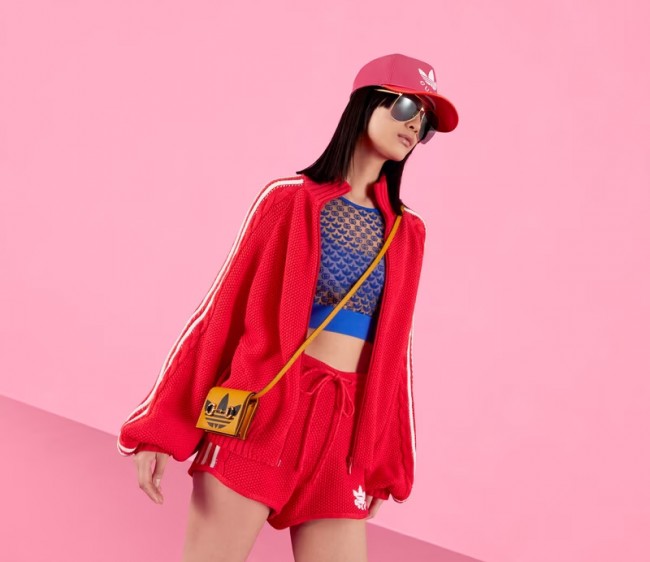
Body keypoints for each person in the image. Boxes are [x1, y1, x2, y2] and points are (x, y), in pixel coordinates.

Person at [117, 52, 458, 562]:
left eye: (425, 123)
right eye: (407, 107)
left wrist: (381, 459)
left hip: (342, 432)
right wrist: (160, 429)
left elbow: (394, 353)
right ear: (365, 104)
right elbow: (221, 315)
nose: (415, 126)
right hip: (262, 409)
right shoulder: (289, 201)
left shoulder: (409, 233)